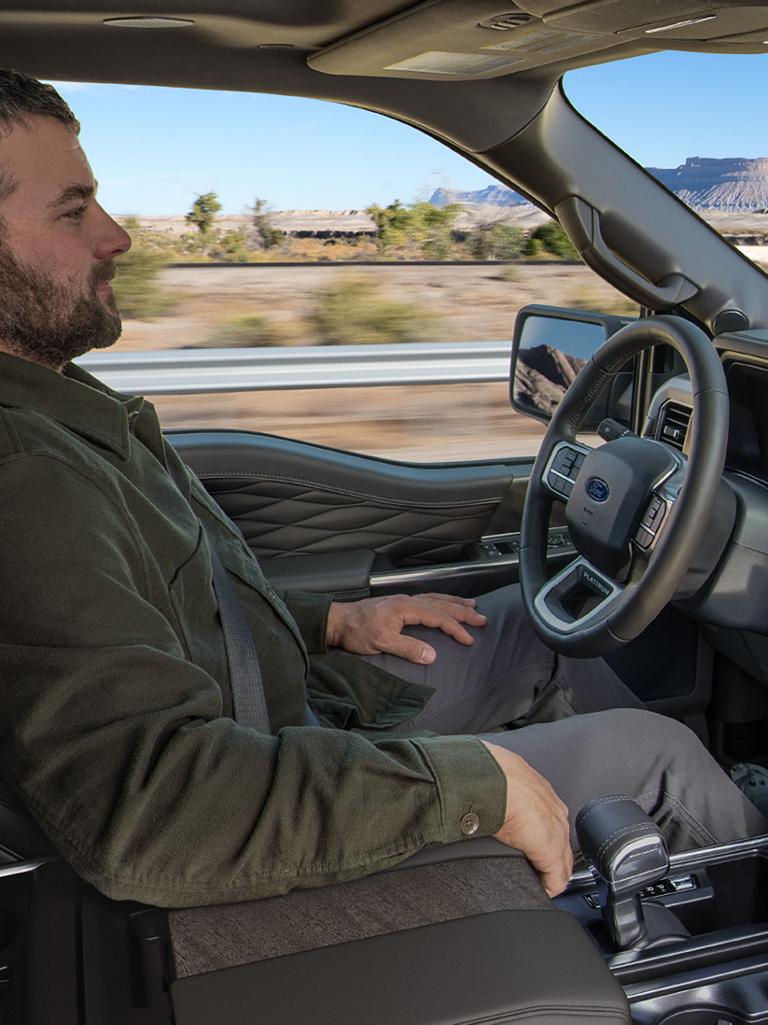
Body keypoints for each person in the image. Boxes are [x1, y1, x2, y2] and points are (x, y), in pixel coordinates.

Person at [0, 70, 763, 910]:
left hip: (296, 717)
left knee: (541, 633)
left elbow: (153, 615)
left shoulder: (62, 405)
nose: (117, 237)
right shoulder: (25, 474)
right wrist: (467, 787)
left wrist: (330, 621)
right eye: (73, 212)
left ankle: (623, 877)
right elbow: (150, 808)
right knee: (660, 759)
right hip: (263, 787)